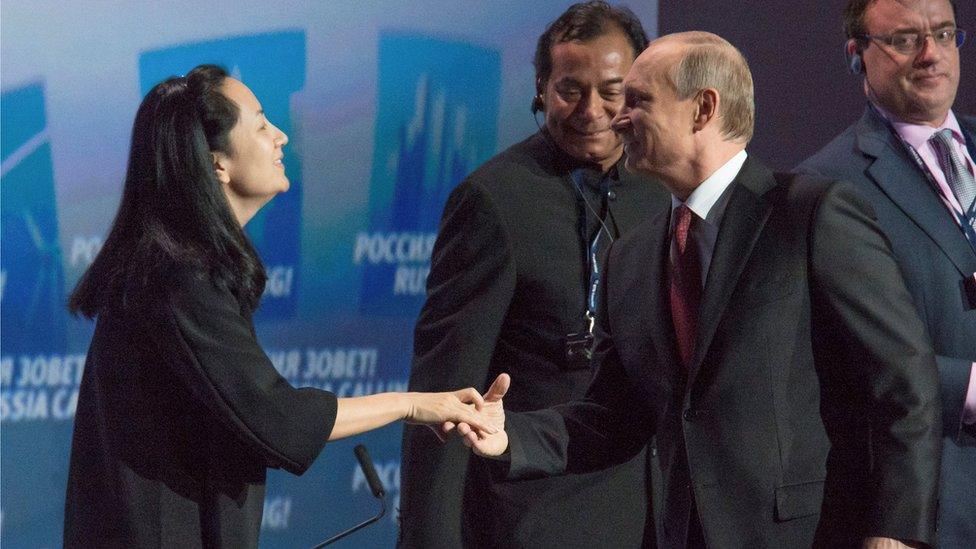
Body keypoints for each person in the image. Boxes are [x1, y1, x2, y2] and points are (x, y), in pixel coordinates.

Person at [456, 32, 942, 548]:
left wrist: (895, 533)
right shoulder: (632, 256)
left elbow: (903, 379)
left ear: (702, 108)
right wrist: (511, 434)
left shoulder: (810, 215)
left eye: (638, 101)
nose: (619, 119)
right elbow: (615, 415)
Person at [62, 64, 501, 548]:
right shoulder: (178, 279)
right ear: (216, 164)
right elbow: (276, 419)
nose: (282, 137)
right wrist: (414, 403)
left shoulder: (181, 269)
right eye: (261, 124)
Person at [398, 2, 668, 547]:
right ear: (541, 88)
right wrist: (428, 537)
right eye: (570, 89)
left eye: (612, 90)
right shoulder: (493, 199)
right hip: (532, 512)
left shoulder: (664, 191)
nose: (591, 110)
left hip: (655, 511)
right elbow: (445, 388)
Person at [798, 1, 974, 545]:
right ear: (857, 55)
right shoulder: (827, 184)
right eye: (904, 40)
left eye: (944, 34)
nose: (930, 54)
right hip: (939, 495)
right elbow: (844, 351)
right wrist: (967, 387)